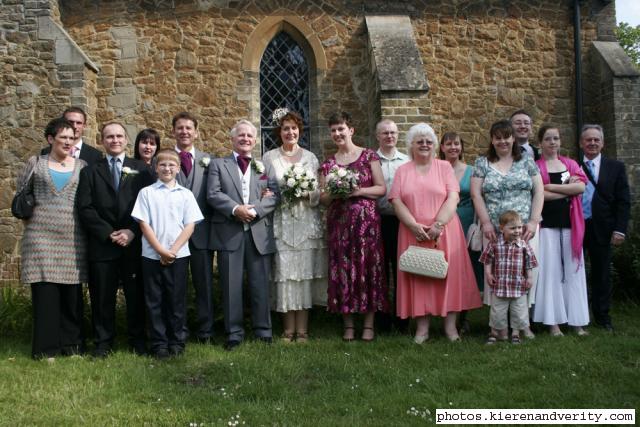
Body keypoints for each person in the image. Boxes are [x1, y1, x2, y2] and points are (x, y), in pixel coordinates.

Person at [390, 123, 481, 343]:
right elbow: (396, 200)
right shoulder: (403, 170)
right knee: (420, 277)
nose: (424, 144)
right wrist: (413, 226)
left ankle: (451, 329)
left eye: (429, 141)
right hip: (414, 233)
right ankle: (422, 330)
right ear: (411, 145)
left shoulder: (444, 167)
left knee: (448, 277)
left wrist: (438, 225)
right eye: (419, 140)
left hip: (445, 231)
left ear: (434, 145)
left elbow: (453, 196)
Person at [77, 122, 153, 357]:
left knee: (136, 295)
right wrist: (107, 232)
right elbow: (85, 207)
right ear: (102, 141)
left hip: (133, 243)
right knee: (101, 296)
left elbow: (149, 205)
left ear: (126, 140)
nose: (115, 140)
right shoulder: (90, 171)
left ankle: (137, 340)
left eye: (119, 136)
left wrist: (132, 231)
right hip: (103, 244)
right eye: (109, 137)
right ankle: (103, 342)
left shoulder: (141, 169)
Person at [207, 119, 280, 350]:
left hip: (259, 233)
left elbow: (275, 195)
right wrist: (236, 209)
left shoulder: (264, 166)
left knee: (260, 284)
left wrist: (255, 211)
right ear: (232, 139)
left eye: (249, 136)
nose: (245, 139)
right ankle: (234, 333)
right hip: (230, 232)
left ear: (255, 140)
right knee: (231, 285)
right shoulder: (218, 164)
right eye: (241, 135)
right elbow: (213, 194)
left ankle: (263, 330)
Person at [19, 118, 88, 359]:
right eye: (63, 138)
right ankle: (46, 350)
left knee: (71, 296)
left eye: (72, 138)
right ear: (50, 139)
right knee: (46, 296)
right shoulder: (35, 164)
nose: (68, 142)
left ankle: (72, 347)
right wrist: (34, 226)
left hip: (73, 239)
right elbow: (21, 196)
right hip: (40, 239)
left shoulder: (82, 166)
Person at [470, 119, 543, 339]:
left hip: (524, 230)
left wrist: (533, 221)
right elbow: (476, 194)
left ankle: (523, 324)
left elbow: (538, 192)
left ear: (513, 138)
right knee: (496, 276)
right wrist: (485, 222)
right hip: (494, 231)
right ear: (492, 140)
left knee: (526, 273)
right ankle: (498, 326)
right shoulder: (482, 163)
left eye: (506, 136)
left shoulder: (527, 162)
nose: (503, 141)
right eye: (498, 137)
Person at [319, 112, 387, 342]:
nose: (337, 133)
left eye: (341, 129)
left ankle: (368, 325)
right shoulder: (328, 164)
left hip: (367, 226)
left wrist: (358, 191)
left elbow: (381, 189)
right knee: (343, 271)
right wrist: (334, 191)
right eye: (334, 130)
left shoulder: (369, 156)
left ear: (351, 130)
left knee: (368, 269)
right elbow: (323, 199)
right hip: (340, 225)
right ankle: (348, 324)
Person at [262, 109, 327, 342]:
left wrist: (305, 192)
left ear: (300, 130)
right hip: (281, 222)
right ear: (279, 132)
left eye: (294, 128)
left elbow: (319, 193)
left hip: (306, 222)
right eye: (286, 128)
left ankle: (303, 330)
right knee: (285, 274)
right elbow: (264, 189)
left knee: (304, 275)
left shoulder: (310, 158)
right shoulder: (269, 158)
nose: (290, 132)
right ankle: (288, 330)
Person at [132, 149, 204, 359]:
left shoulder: (185, 194)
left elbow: (190, 225)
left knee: (176, 300)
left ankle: (177, 340)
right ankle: (159, 343)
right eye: (163, 165)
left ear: (178, 169)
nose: (167, 168)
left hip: (178, 256)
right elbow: (144, 224)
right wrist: (160, 250)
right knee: (154, 300)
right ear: (156, 168)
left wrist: (172, 251)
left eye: (172, 165)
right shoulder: (147, 193)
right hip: (152, 255)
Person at [532, 125, 589, 336]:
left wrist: (551, 187)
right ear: (540, 143)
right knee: (551, 273)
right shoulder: (536, 166)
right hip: (547, 226)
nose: (553, 142)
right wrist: (567, 192)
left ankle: (576, 321)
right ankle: (553, 322)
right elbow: (538, 196)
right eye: (548, 139)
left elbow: (581, 188)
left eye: (556, 138)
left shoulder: (570, 164)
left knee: (574, 272)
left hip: (571, 226)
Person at [580, 124, 630, 332]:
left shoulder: (615, 167)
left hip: (604, 228)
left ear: (603, 142)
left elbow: (623, 201)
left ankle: (602, 316)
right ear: (581, 143)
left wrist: (620, 229)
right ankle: (578, 315)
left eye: (596, 140)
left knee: (601, 274)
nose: (592, 143)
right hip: (578, 227)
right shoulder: (572, 166)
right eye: (588, 139)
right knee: (576, 274)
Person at [172, 112, 215, 343]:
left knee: (204, 284)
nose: (184, 132)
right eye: (180, 128)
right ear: (173, 132)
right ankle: (179, 331)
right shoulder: (165, 160)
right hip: (173, 235)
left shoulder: (209, 161)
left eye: (189, 128)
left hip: (202, 234)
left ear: (196, 132)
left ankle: (205, 332)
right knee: (176, 286)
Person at [438, 131, 484, 333]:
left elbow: (478, 197)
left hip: (467, 222)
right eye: (449, 144)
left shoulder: (472, 170)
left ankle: (463, 317)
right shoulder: (436, 169)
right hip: (444, 222)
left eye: (456, 144)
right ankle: (444, 312)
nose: (453, 147)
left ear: (462, 147)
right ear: (442, 147)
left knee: (467, 271)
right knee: (445, 270)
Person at [479, 210, 538, 344]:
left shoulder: (523, 244)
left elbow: (529, 262)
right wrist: (488, 274)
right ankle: (495, 333)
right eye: (512, 228)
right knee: (497, 311)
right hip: (500, 285)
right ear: (501, 228)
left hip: (518, 285)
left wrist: (529, 277)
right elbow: (487, 259)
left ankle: (515, 333)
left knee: (519, 311)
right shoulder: (495, 243)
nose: (517, 231)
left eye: (519, 227)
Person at [375, 118, 409, 333]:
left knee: (400, 270)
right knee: (380, 272)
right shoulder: (370, 160)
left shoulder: (406, 162)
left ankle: (402, 318)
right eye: (385, 133)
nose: (389, 136)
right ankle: (382, 320)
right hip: (377, 220)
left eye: (393, 132)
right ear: (378, 136)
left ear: (397, 135)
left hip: (401, 221)